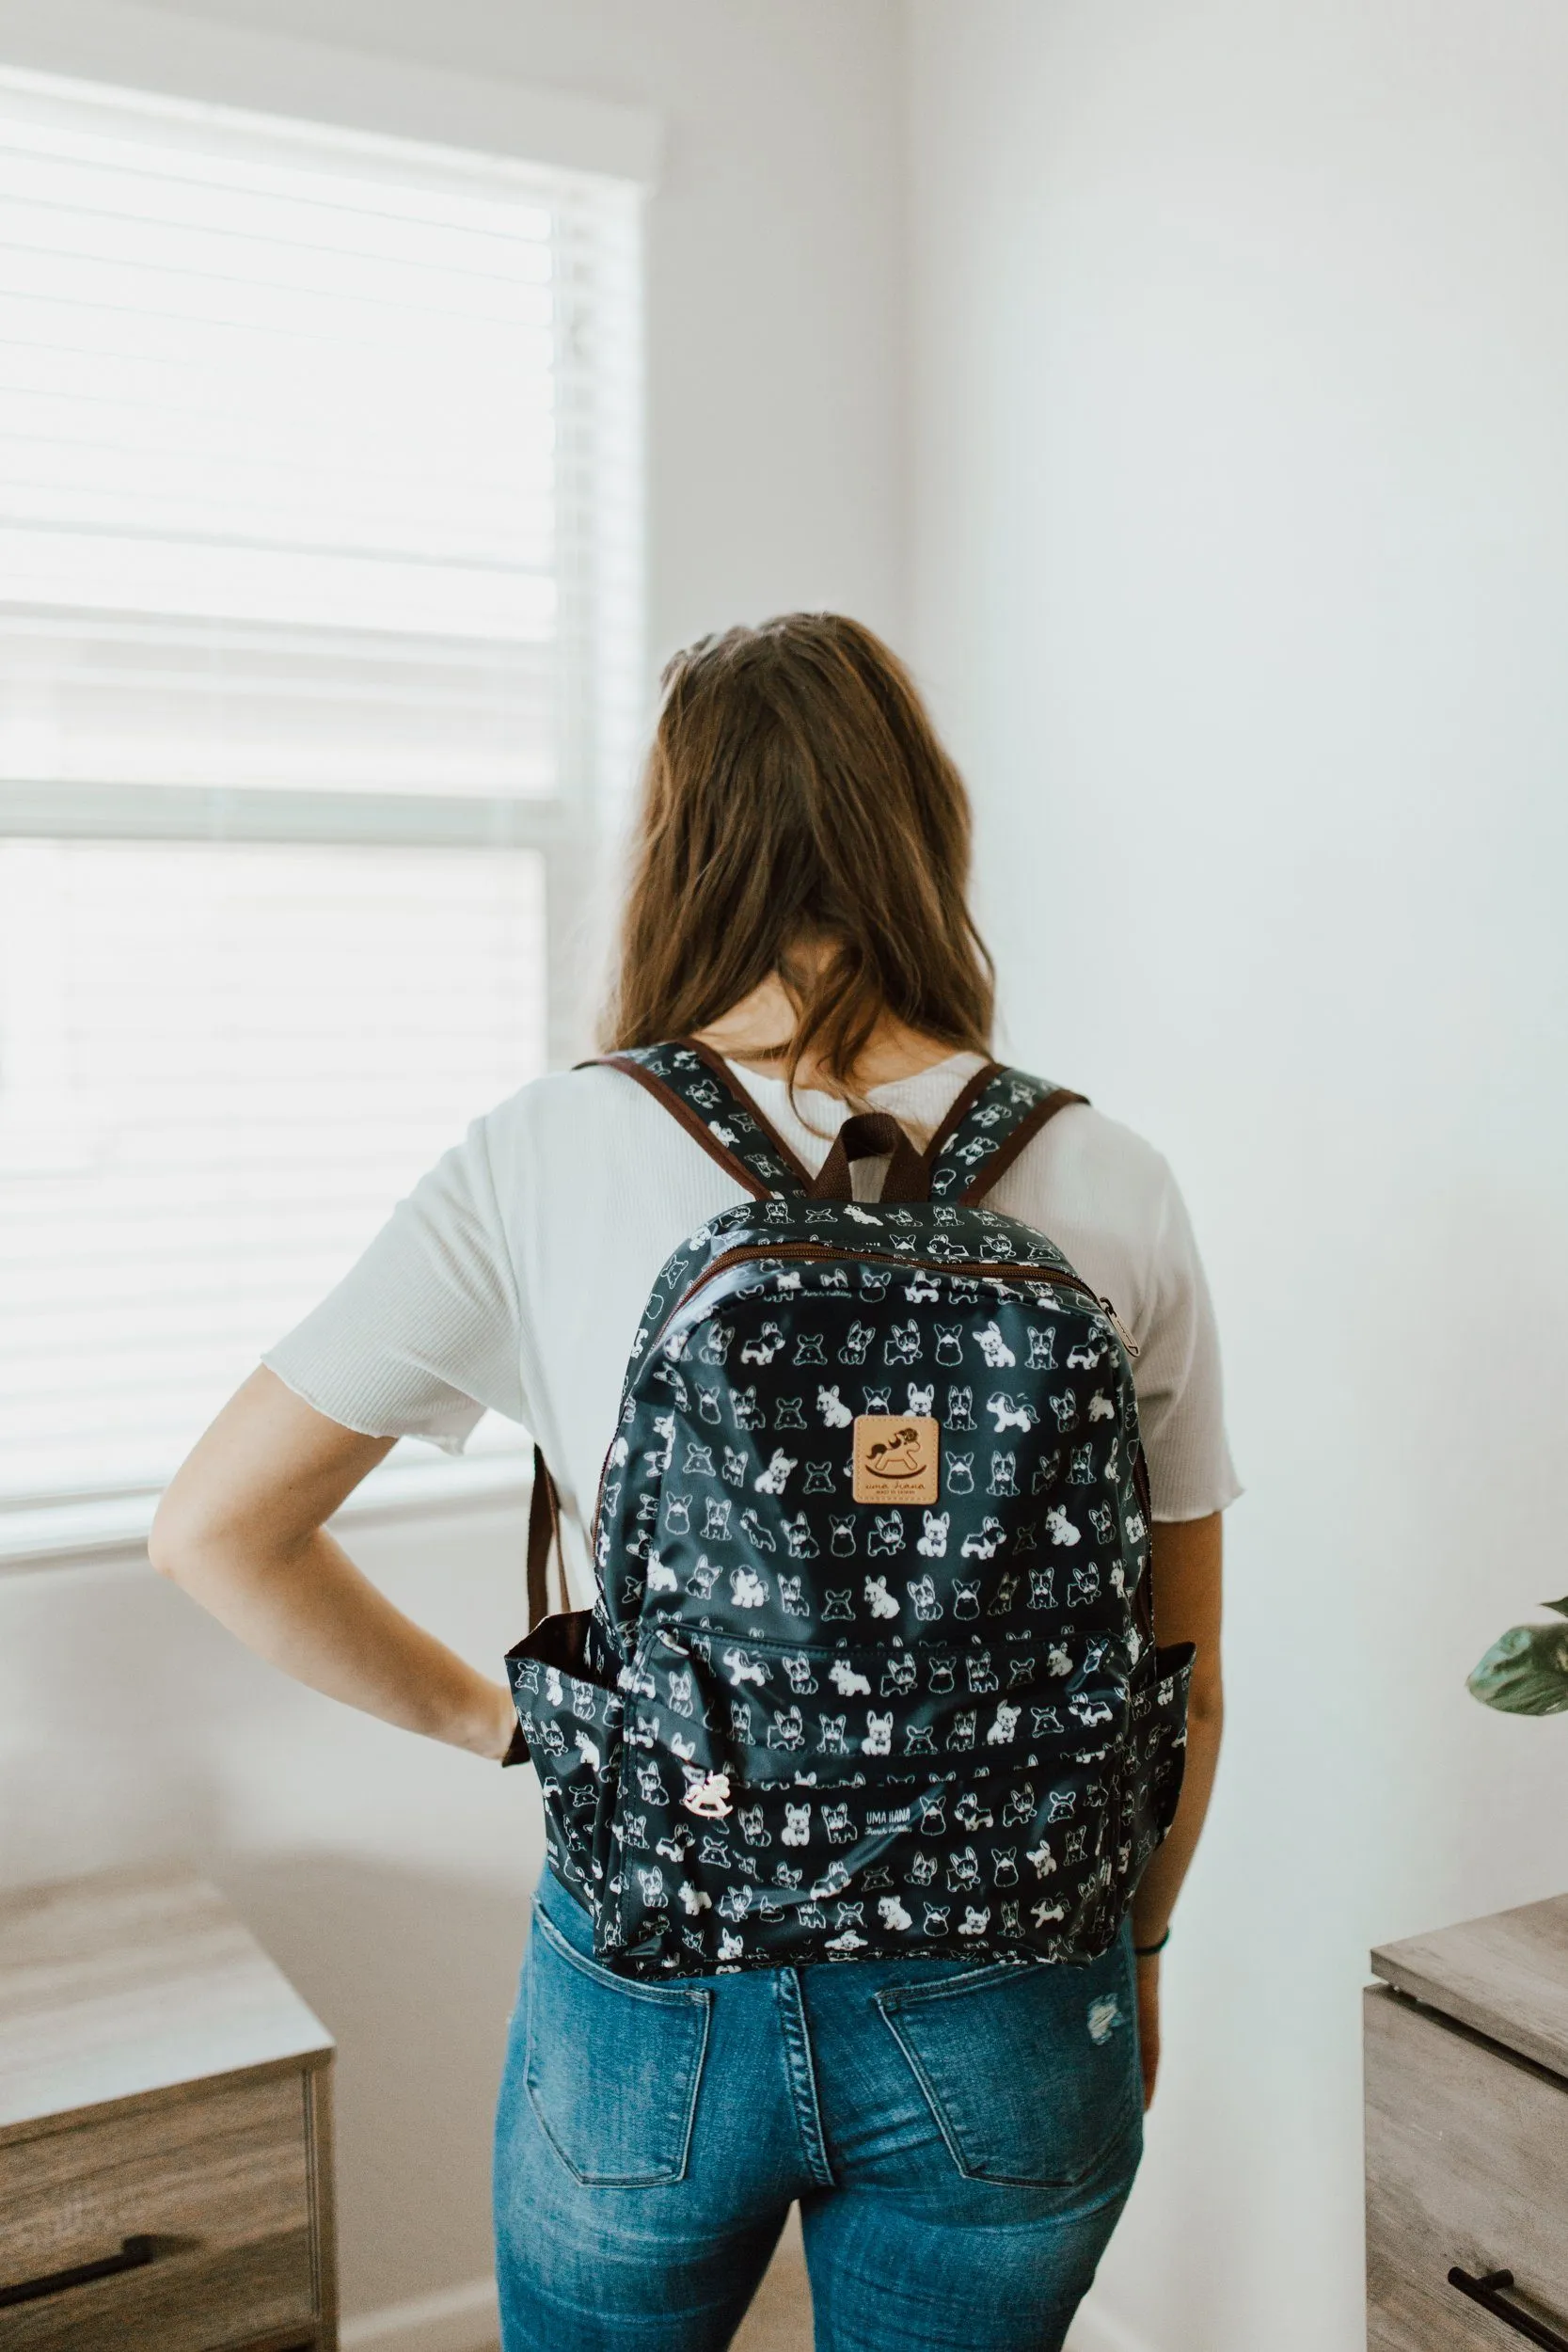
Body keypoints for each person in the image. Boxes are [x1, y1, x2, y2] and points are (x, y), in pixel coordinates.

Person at [152, 612, 1237, 2352]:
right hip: (1016, 1983)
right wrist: (1141, 1956)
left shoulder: (543, 1151)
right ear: (924, 832)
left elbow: (216, 1530)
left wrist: (501, 1725)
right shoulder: (1111, 1177)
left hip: (662, 1963)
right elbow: (1176, 1692)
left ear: (670, 852)